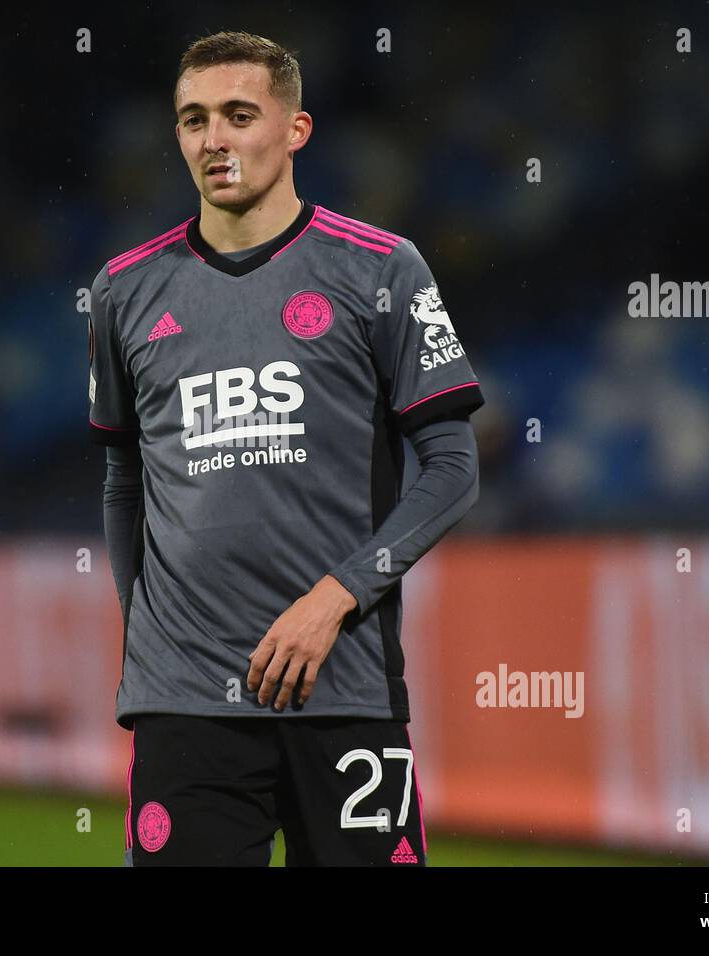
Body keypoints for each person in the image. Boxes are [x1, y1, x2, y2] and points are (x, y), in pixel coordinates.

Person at [88, 30, 484, 866]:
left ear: (295, 129)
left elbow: (451, 468)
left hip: (343, 690)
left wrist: (337, 595)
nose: (214, 140)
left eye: (239, 115)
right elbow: (124, 476)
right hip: (186, 702)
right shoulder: (124, 291)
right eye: (194, 120)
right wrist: (150, 630)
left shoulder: (382, 270)